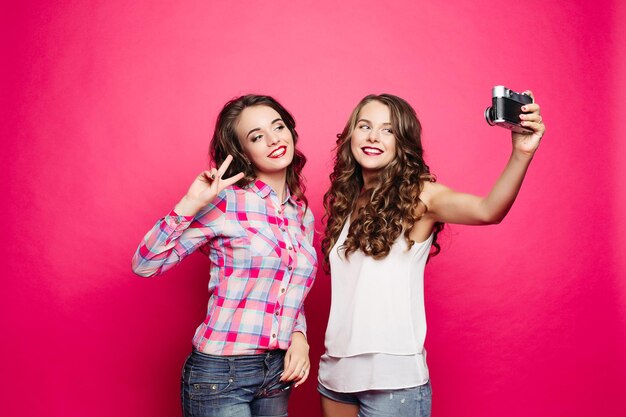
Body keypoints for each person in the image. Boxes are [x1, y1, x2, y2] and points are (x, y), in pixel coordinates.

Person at [318, 92, 545, 417]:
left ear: (403, 141)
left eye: (388, 130)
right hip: (336, 376)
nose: (372, 136)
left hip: (394, 383)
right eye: (364, 126)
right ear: (350, 135)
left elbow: (487, 210)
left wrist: (521, 154)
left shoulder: (419, 196)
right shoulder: (348, 201)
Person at [132, 94, 317, 417]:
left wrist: (299, 336)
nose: (274, 139)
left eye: (278, 126)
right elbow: (145, 265)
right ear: (242, 152)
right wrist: (189, 203)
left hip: (276, 373)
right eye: (257, 136)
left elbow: (289, 289)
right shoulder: (226, 202)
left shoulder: (300, 212)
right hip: (220, 375)